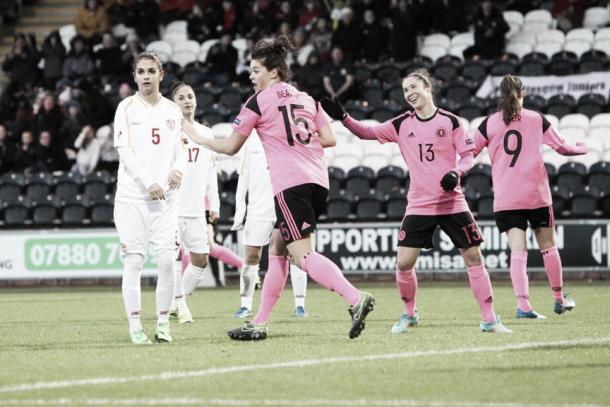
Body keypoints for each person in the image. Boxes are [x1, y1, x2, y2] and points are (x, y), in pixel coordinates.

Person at [183, 35, 375, 341]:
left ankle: (355, 299)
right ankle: (258, 322)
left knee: (303, 256)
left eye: (256, 70)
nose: (251, 75)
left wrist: (199, 137)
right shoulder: (307, 99)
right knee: (277, 248)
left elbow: (231, 147)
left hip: (290, 183)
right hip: (317, 181)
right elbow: (329, 139)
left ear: (274, 72)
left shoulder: (257, 102)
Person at [321, 68, 511, 334]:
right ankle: (409, 314)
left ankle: (490, 319)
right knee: (404, 263)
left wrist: (456, 172)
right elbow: (367, 132)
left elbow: (469, 155)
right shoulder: (401, 124)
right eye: (405, 90)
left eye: (413, 87)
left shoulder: (451, 121)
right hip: (419, 204)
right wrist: (343, 117)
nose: (409, 93)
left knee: (473, 257)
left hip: (452, 202)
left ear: (427, 88)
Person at [473, 75, 585, 318]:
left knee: (518, 251)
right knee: (548, 246)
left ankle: (523, 305)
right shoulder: (536, 118)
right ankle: (558, 299)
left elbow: (468, 150)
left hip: (506, 197)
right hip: (535, 193)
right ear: (522, 93)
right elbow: (563, 148)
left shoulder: (488, 123)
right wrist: (583, 147)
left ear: (500, 96)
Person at [113, 51, 186, 345]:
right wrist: (148, 182)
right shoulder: (126, 108)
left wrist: (179, 169)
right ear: (134, 76)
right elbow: (124, 152)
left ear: (161, 75)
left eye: (151, 71)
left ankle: (163, 323)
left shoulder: (172, 110)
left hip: (165, 201)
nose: (145, 76)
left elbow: (181, 148)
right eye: (140, 72)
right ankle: (134, 325)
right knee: (134, 261)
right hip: (132, 199)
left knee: (167, 263)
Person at [231, 132, 309, 319]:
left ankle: (300, 305)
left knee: (295, 255)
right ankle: (245, 305)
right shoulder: (249, 141)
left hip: (285, 205)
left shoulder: (286, 133)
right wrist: (239, 211)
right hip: (258, 210)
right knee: (251, 256)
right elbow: (243, 179)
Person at [169, 81, 217, 324]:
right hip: (174, 207)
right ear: (173, 103)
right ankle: (177, 305)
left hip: (197, 209)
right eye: (181, 97)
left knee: (200, 260)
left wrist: (214, 205)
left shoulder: (206, 134)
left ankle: (179, 301)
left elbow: (211, 174)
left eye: (190, 95)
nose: (187, 100)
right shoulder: (169, 133)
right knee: (174, 258)